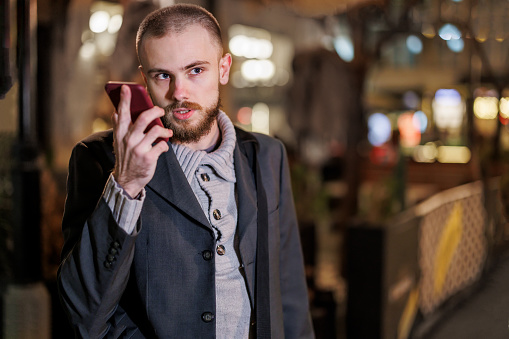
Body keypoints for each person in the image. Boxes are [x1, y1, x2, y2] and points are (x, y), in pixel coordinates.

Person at [57, 3, 314, 338]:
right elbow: (82, 314)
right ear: (144, 78)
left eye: (196, 71)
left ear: (223, 69)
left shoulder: (267, 155)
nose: (179, 93)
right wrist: (126, 185)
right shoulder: (100, 158)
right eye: (163, 75)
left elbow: (289, 292)